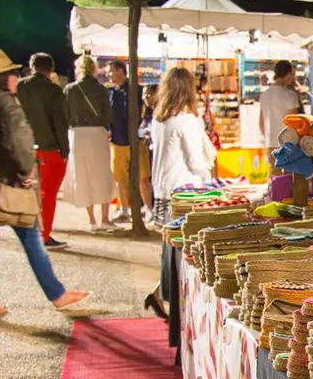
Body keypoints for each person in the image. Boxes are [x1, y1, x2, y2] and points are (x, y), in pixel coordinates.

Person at [0, 49, 89, 319]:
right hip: (5, 184)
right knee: (32, 239)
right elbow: (21, 141)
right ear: (2, 78)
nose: (16, 78)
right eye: (12, 74)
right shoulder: (6, 103)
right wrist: (27, 171)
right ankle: (58, 295)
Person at [146, 66, 214, 316]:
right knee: (184, 253)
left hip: (163, 190)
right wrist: (211, 181)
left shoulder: (159, 119)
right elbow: (195, 161)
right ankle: (176, 305)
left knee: (170, 248)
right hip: (184, 193)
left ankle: (161, 295)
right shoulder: (186, 120)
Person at [16, 53, 71, 249]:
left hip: (25, 146)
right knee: (48, 194)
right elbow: (59, 122)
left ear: (31, 67)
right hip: (50, 148)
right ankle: (44, 234)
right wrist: (65, 151)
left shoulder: (20, 87)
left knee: (28, 191)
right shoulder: (53, 91)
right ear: (51, 69)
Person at [63, 55, 117, 231]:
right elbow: (108, 116)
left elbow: (65, 114)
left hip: (77, 135)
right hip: (96, 134)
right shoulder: (101, 90)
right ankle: (105, 218)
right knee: (102, 174)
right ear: (94, 69)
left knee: (83, 175)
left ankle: (92, 220)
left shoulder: (70, 89)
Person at [107, 59, 152, 222]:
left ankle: (148, 209)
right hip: (117, 142)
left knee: (142, 177)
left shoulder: (136, 91)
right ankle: (124, 209)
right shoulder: (110, 92)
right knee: (119, 178)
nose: (108, 74)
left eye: (110, 70)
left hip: (135, 141)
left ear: (120, 71)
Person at [258, 60, 302, 155]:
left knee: (273, 169)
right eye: (292, 73)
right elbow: (293, 122)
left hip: (270, 144)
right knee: (288, 170)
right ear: (286, 74)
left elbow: (261, 123)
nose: (293, 77)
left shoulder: (264, 95)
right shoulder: (290, 95)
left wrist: (268, 139)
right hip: (287, 144)